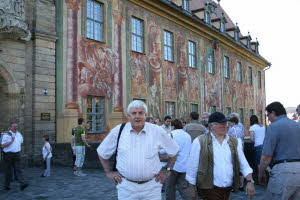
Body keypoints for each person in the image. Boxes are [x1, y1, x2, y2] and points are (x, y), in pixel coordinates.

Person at [97, 100, 179, 200]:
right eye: (134, 113)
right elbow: (102, 152)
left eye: (140, 113)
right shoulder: (118, 131)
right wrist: (108, 172)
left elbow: (174, 150)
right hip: (126, 187)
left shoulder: (156, 130)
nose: (137, 116)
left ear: (146, 115)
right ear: (128, 116)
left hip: (152, 187)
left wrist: (167, 169)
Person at [186, 112, 255, 200]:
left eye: (226, 123)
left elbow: (243, 163)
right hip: (209, 188)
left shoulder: (234, 141)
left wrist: (250, 181)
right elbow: (192, 165)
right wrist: (191, 187)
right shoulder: (200, 141)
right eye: (221, 124)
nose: (225, 126)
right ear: (211, 126)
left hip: (228, 189)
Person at [259, 102, 300, 199]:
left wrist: (261, 173)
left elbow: (266, 157)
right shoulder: (298, 126)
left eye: (268, 115)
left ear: (273, 113)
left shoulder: (273, 127)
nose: (267, 118)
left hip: (283, 172)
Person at [165, 119, 191, 200]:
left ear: (173, 126)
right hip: (185, 165)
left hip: (173, 165)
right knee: (184, 188)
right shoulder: (187, 135)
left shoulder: (171, 134)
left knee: (170, 187)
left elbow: (165, 149)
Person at [1, 122, 29, 190]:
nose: (16, 127)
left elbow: (21, 141)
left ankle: (22, 184)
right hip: (8, 155)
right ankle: (6, 185)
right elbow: (2, 145)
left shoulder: (19, 134)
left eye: (16, 126)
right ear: (10, 127)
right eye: (14, 126)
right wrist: (11, 141)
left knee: (18, 169)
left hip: (17, 154)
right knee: (8, 171)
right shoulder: (6, 135)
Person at [228, 116, 245, 191]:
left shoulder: (232, 129)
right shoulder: (241, 129)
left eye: (230, 123)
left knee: (233, 167)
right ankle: (241, 185)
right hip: (241, 148)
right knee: (241, 167)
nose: (230, 124)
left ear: (233, 122)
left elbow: (228, 139)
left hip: (234, 148)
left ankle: (234, 185)